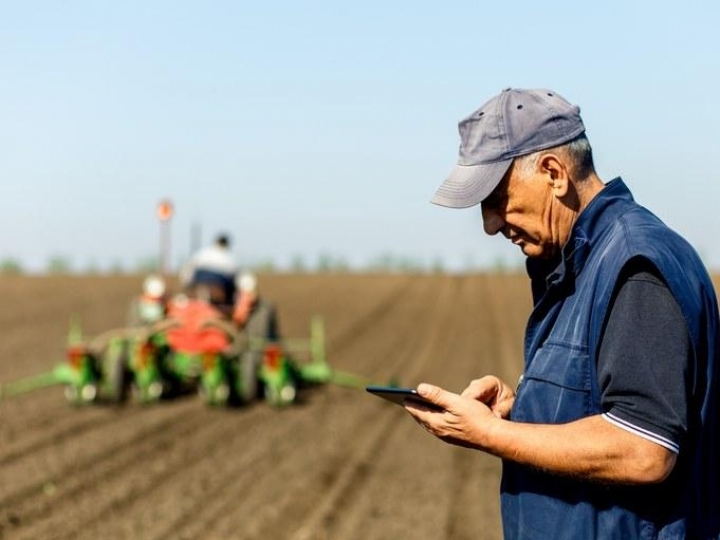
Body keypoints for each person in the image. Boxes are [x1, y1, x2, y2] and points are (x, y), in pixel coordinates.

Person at [406, 87, 720, 539]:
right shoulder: (578, 264)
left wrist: (489, 435)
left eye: (495, 199)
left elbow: (643, 448)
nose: (490, 225)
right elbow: (599, 407)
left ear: (553, 173)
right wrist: (522, 410)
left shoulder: (634, 266)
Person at [179, 233, 238, 313]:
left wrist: (186, 285)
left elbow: (188, 270)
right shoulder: (229, 258)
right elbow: (234, 278)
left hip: (198, 283)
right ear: (226, 245)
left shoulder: (203, 253)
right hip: (218, 286)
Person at [231, 271, 280, 342]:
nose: (248, 296)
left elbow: (273, 333)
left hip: (261, 350)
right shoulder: (232, 308)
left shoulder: (267, 307)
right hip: (241, 351)